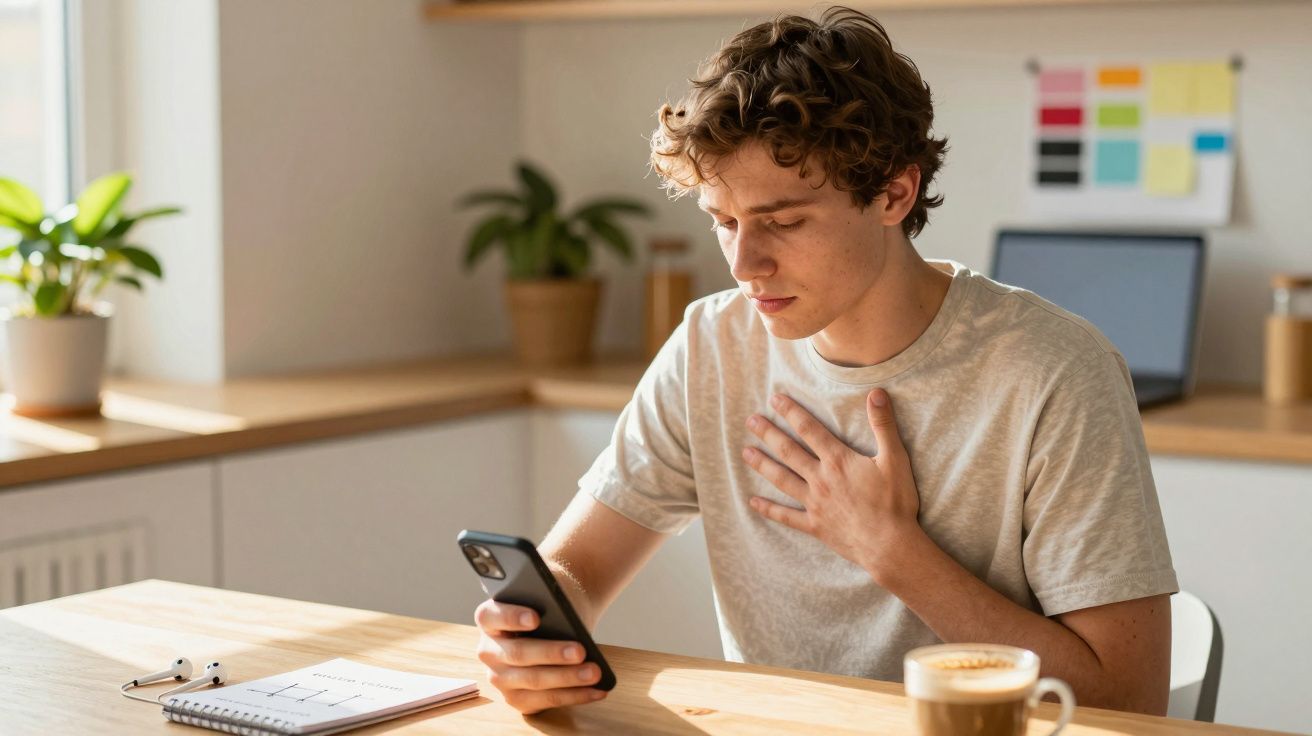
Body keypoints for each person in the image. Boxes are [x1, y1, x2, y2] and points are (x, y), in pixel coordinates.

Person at [474, 6, 1178, 716]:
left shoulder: (1054, 371)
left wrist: (892, 551)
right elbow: (578, 567)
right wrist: (536, 634)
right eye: (724, 222)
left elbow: (1127, 698)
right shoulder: (708, 348)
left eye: (784, 221)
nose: (745, 264)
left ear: (894, 194)